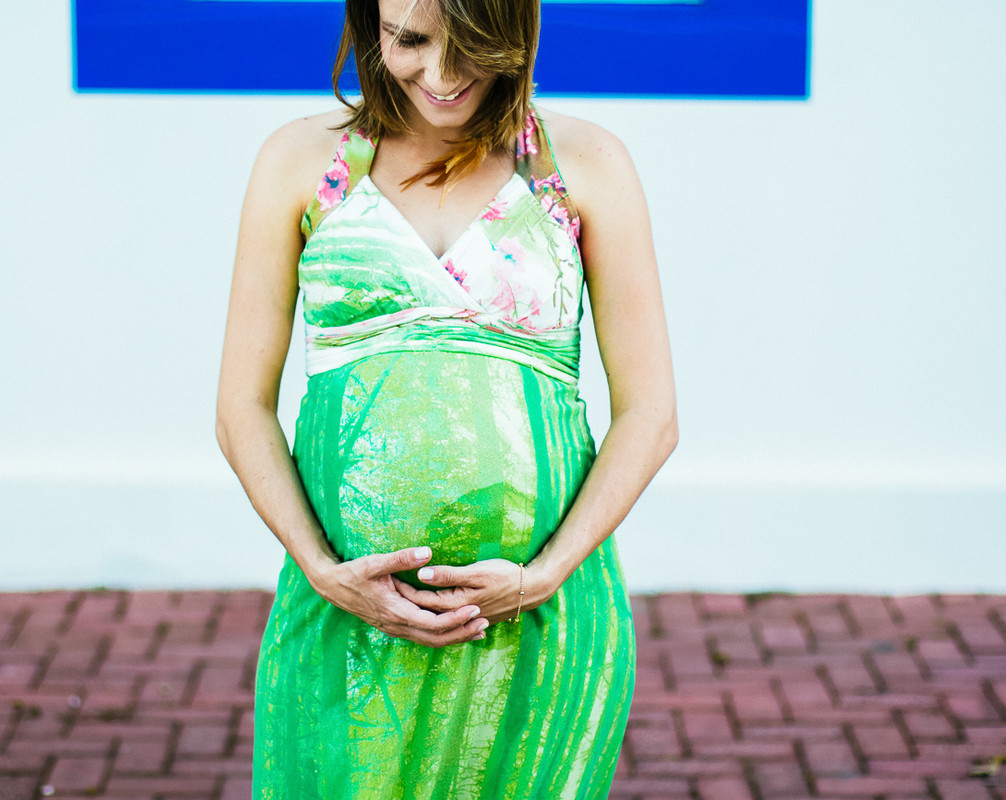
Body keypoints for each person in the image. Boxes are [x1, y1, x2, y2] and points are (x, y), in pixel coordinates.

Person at [215, 0, 677, 794]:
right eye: (410, 40)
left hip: (538, 627)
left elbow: (651, 415)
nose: (440, 74)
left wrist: (543, 576)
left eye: (470, 46)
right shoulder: (300, 163)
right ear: (370, 25)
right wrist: (321, 569)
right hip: (346, 623)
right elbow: (240, 409)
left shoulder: (584, 166)